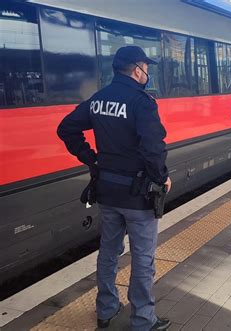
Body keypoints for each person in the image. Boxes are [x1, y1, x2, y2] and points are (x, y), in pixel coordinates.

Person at [57, 46, 171, 330]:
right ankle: (143, 320)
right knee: (143, 259)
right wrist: (162, 178)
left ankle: (106, 310)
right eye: (146, 66)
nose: (148, 72)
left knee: (108, 252)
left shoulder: (98, 100)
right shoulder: (141, 102)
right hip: (139, 195)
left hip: (107, 191)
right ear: (137, 69)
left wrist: (91, 159)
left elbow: (66, 128)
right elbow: (153, 148)